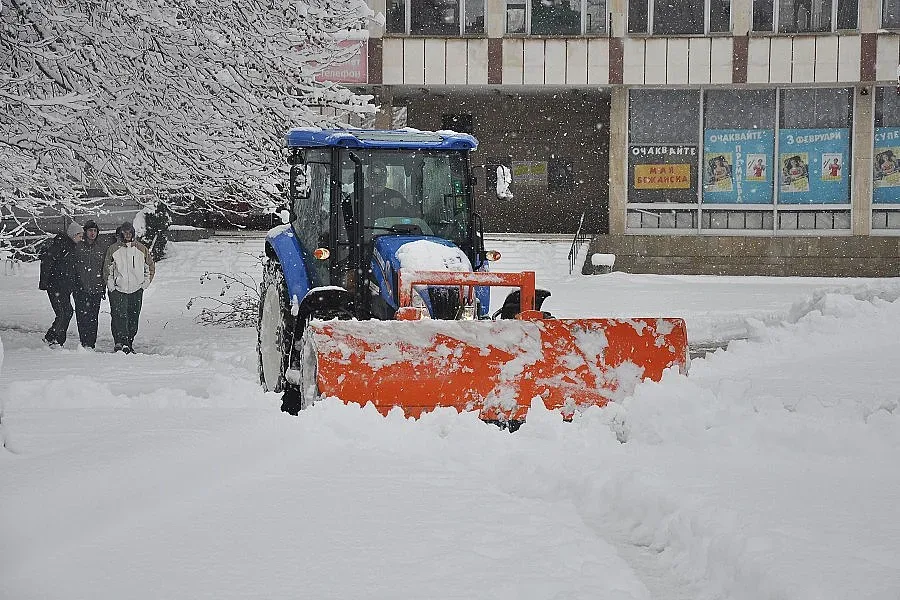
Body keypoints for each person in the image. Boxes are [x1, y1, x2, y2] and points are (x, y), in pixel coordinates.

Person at [104, 222, 155, 353]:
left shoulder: (141, 248)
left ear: (133, 233)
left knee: (133, 317)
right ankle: (120, 342)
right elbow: (107, 269)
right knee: (119, 316)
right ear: (121, 234)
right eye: (125, 232)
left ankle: (129, 342)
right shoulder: (113, 249)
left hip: (136, 290)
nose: (127, 235)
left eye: (129, 232)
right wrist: (111, 285)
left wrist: (145, 284)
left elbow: (149, 267)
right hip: (118, 289)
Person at [38, 222, 83, 347]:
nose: (81, 239)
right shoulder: (60, 246)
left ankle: (56, 339)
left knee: (66, 312)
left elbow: (71, 269)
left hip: (64, 287)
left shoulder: (70, 247)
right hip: (56, 286)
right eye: (80, 236)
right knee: (64, 313)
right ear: (74, 235)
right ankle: (52, 338)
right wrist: (45, 282)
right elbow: (47, 262)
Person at [73, 220, 108, 349]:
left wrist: (103, 286)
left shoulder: (102, 247)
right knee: (82, 317)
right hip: (80, 288)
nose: (92, 233)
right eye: (90, 230)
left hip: (96, 288)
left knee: (93, 317)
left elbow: (105, 267)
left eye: (95, 231)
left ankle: (91, 343)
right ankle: (84, 342)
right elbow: (73, 266)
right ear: (85, 232)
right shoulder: (78, 246)